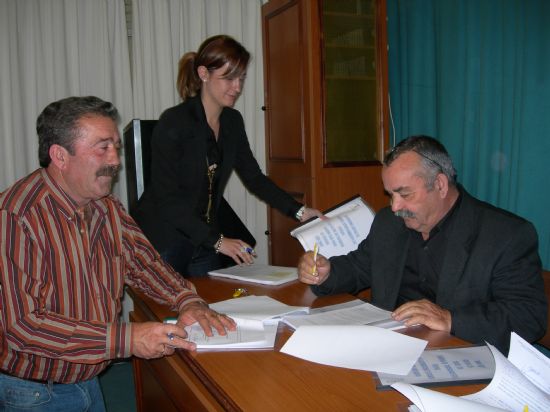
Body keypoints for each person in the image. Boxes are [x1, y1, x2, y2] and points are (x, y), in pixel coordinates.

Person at [0, 96, 236, 411]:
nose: (115, 160)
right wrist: (127, 339)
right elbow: (24, 326)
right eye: (103, 148)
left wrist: (188, 300)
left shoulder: (105, 206)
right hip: (35, 392)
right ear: (60, 155)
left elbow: (143, 263)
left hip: (88, 377)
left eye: (116, 147)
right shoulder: (16, 215)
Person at [298, 135, 547, 353]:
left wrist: (451, 319)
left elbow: (527, 318)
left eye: (405, 194)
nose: (395, 207)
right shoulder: (389, 222)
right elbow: (361, 266)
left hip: (458, 354)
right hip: (386, 349)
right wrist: (326, 272)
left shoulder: (505, 235)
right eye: (390, 195)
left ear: (439, 185)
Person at [134, 35, 322, 276]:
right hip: (165, 236)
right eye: (229, 78)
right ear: (204, 74)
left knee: (212, 307)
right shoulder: (174, 121)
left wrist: (299, 211)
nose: (238, 87)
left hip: (204, 237)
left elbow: (254, 177)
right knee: (170, 310)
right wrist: (219, 241)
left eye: (241, 78)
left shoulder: (233, 122)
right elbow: (167, 199)